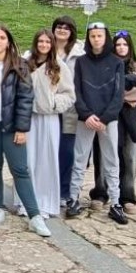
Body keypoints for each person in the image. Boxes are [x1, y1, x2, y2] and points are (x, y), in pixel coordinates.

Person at [0, 25, 51, 237]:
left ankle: (34, 215)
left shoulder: (19, 65)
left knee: (20, 169)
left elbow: (26, 98)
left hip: (12, 126)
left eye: (2, 37)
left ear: (8, 41)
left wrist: (22, 128)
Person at [65, 22, 128, 225]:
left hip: (107, 120)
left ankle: (116, 203)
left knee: (111, 161)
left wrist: (105, 118)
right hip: (87, 118)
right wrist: (87, 114)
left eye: (99, 36)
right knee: (79, 159)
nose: (96, 39)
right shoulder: (82, 62)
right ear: (88, 38)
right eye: (92, 36)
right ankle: (73, 198)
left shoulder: (116, 62)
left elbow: (118, 94)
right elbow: (77, 91)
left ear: (105, 37)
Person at [14, 29, 75, 218]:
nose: (44, 45)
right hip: (29, 117)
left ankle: (45, 203)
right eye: (41, 41)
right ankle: (26, 202)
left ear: (52, 44)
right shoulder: (26, 63)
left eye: (48, 42)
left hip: (49, 119)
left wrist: (53, 104)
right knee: (28, 160)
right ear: (36, 43)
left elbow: (69, 94)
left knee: (47, 161)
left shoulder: (59, 66)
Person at [113, 29, 136, 214]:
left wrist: (120, 96)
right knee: (110, 157)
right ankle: (105, 192)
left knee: (129, 158)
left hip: (130, 117)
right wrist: (125, 95)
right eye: (118, 44)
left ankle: (127, 196)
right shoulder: (108, 66)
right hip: (112, 117)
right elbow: (108, 88)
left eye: (124, 44)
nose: (121, 47)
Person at [52, 15, 84, 205]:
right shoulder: (46, 48)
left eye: (66, 27)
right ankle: (48, 189)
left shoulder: (79, 54)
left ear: (72, 31)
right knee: (49, 150)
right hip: (49, 108)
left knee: (66, 152)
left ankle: (64, 191)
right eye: (59, 26)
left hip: (70, 110)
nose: (62, 30)